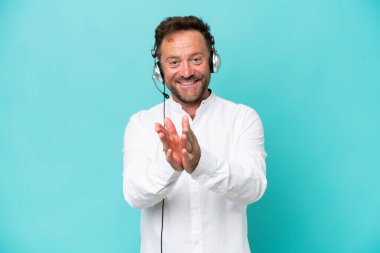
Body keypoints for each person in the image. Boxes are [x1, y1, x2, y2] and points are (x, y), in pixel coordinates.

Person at [123, 16, 267, 253]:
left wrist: (201, 163)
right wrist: (171, 165)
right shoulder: (140, 124)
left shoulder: (243, 118)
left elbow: (253, 188)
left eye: (196, 59)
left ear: (213, 60)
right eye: (174, 62)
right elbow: (135, 195)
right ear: (159, 69)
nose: (187, 72)